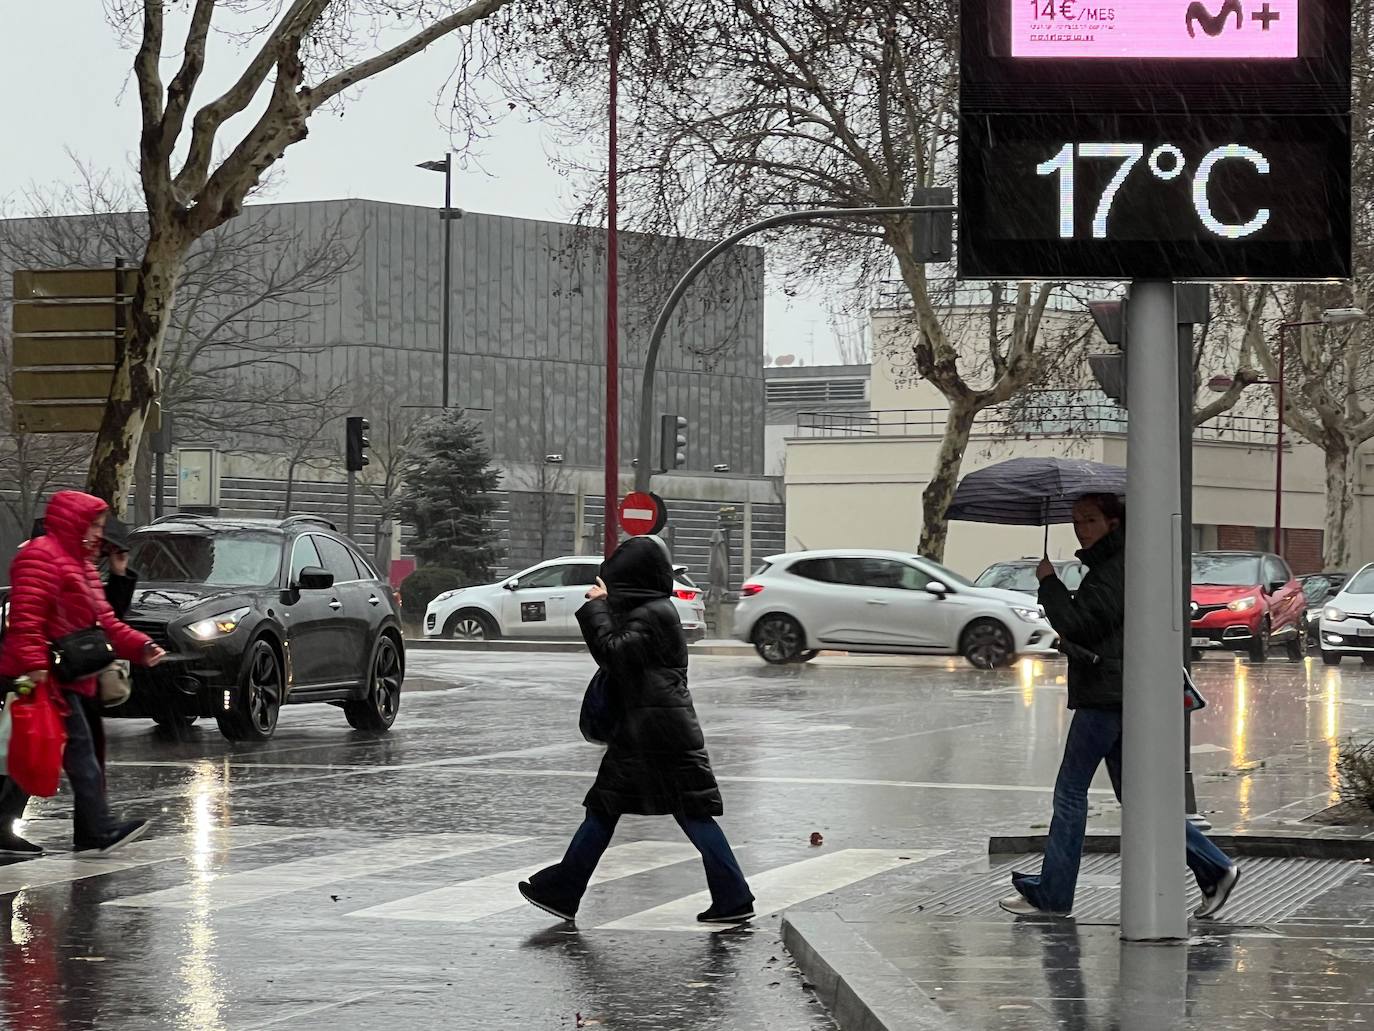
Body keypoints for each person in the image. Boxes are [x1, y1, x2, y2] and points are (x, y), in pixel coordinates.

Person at [1000, 493, 1241, 919]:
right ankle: (1213, 867)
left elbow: (1082, 624)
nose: (1081, 529)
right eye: (1076, 521)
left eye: (1089, 520)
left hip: (1106, 697)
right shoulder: (1113, 565)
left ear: (1113, 523)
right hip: (1118, 690)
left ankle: (1054, 894)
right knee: (1139, 796)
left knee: (1071, 791)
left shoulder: (1115, 569)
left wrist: (1049, 584)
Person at [519, 536, 755, 925]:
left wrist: (597, 607)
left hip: (654, 733)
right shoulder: (652, 610)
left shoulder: (653, 614)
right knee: (642, 809)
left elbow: (614, 653)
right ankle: (732, 896)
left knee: (646, 810)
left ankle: (563, 889)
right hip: (654, 728)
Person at [0, 491, 165, 855]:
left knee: (36, 750)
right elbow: (25, 619)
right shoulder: (40, 556)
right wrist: (35, 668)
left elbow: (105, 621)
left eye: (100, 526)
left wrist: (140, 646)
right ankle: (96, 829)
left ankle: (88, 829)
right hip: (45, 676)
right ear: (74, 521)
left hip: (72, 675)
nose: (97, 533)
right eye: (93, 524)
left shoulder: (82, 565)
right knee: (57, 751)